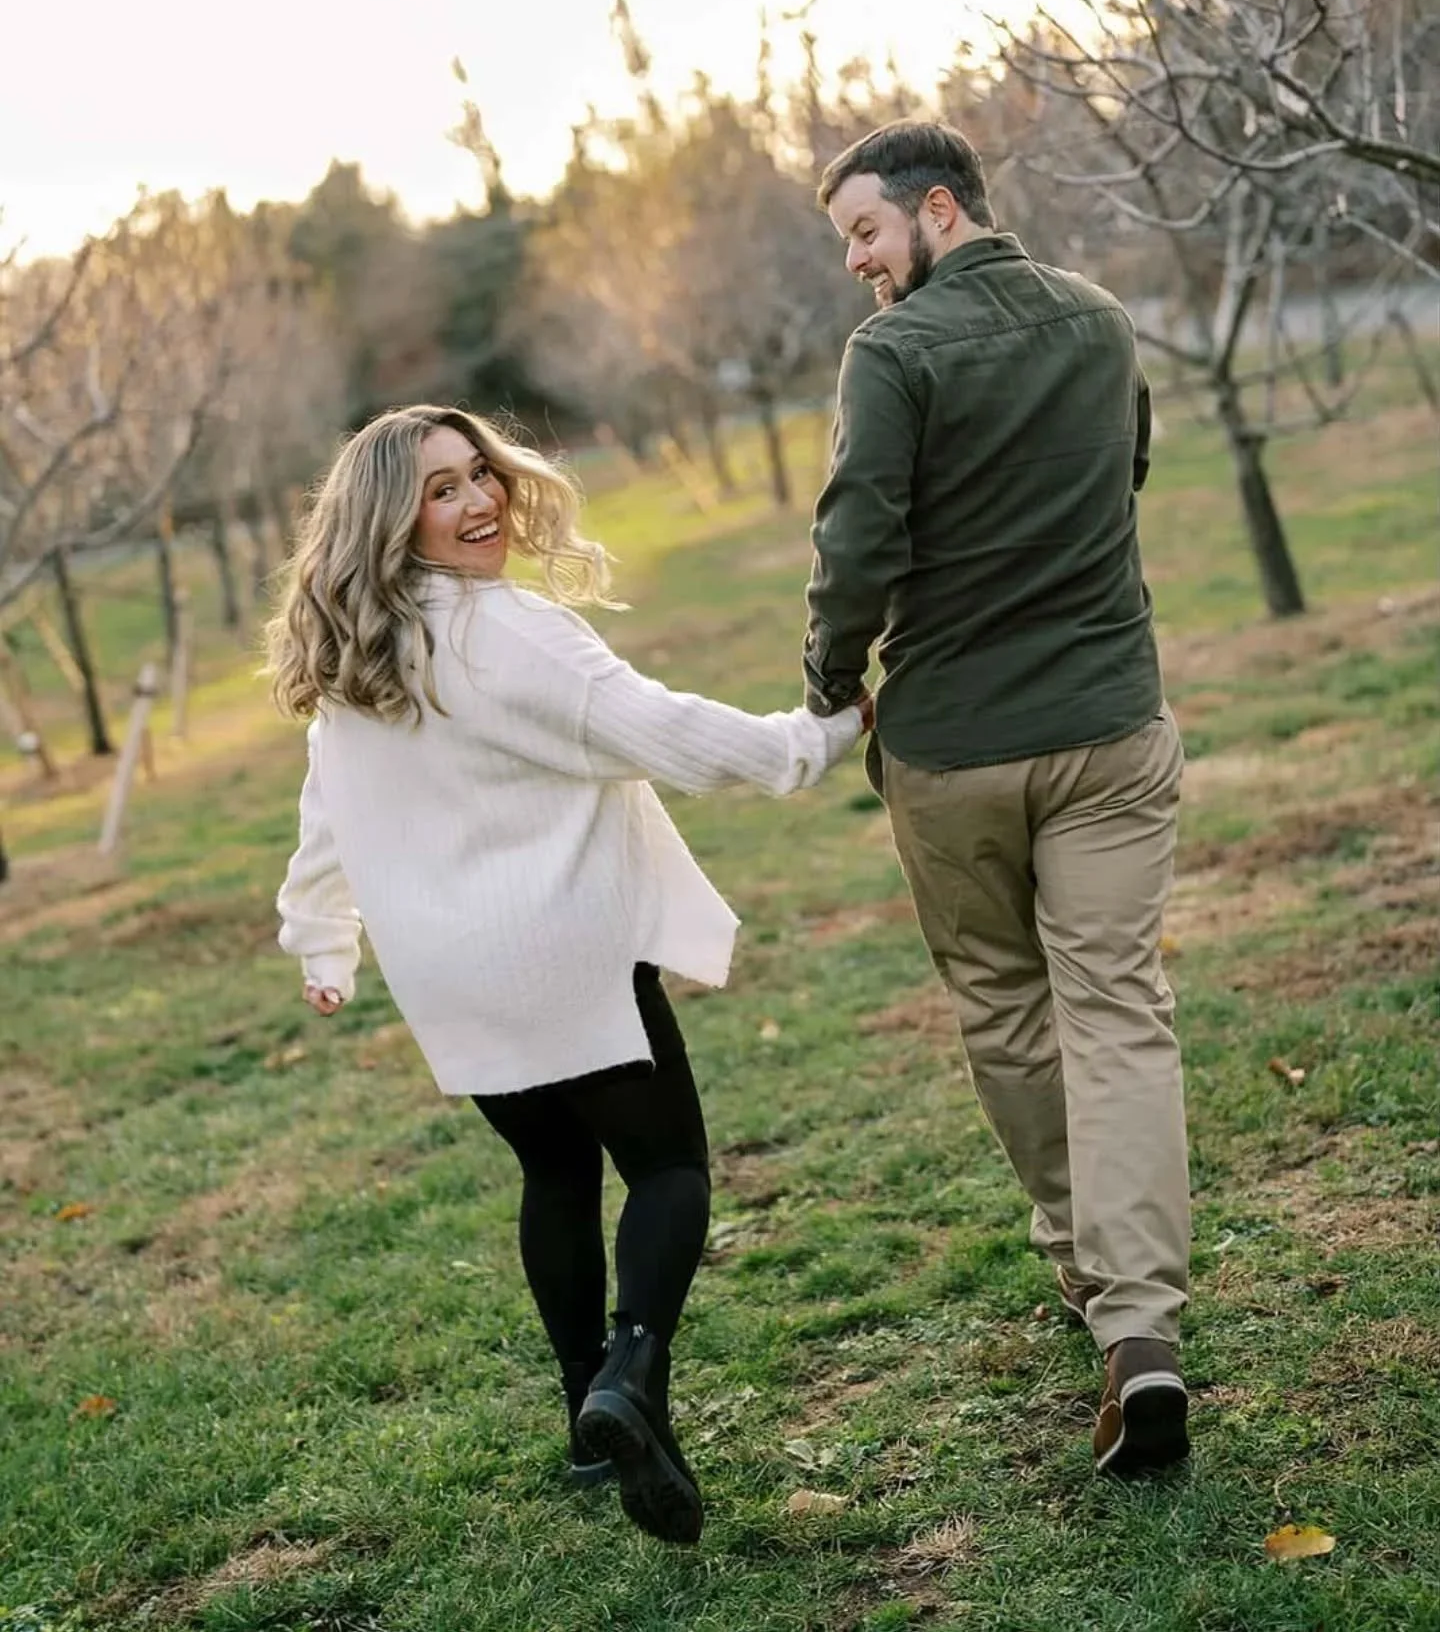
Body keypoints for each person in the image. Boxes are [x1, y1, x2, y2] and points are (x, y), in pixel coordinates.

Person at [266, 404, 869, 1544]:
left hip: (451, 971)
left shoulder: (358, 651)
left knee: (552, 1169)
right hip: (559, 949)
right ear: (390, 521)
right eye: (439, 489)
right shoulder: (510, 631)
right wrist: (817, 738)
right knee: (671, 1166)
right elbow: (664, 730)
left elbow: (323, 822)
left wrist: (321, 939)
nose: (479, 499)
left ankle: (588, 1412)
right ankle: (629, 1377)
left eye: (478, 472)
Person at [803, 120, 1191, 1477]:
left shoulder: (895, 355)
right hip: (1106, 720)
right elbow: (1126, 475)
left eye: (864, 230)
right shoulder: (1099, 321)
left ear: (941, 210)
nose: (856, 261)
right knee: (1119, 1008)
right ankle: (1144, 1326)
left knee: (1012, 1012)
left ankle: (1093, 1277)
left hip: (957, 747)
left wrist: (827, 672)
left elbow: (858, 538)